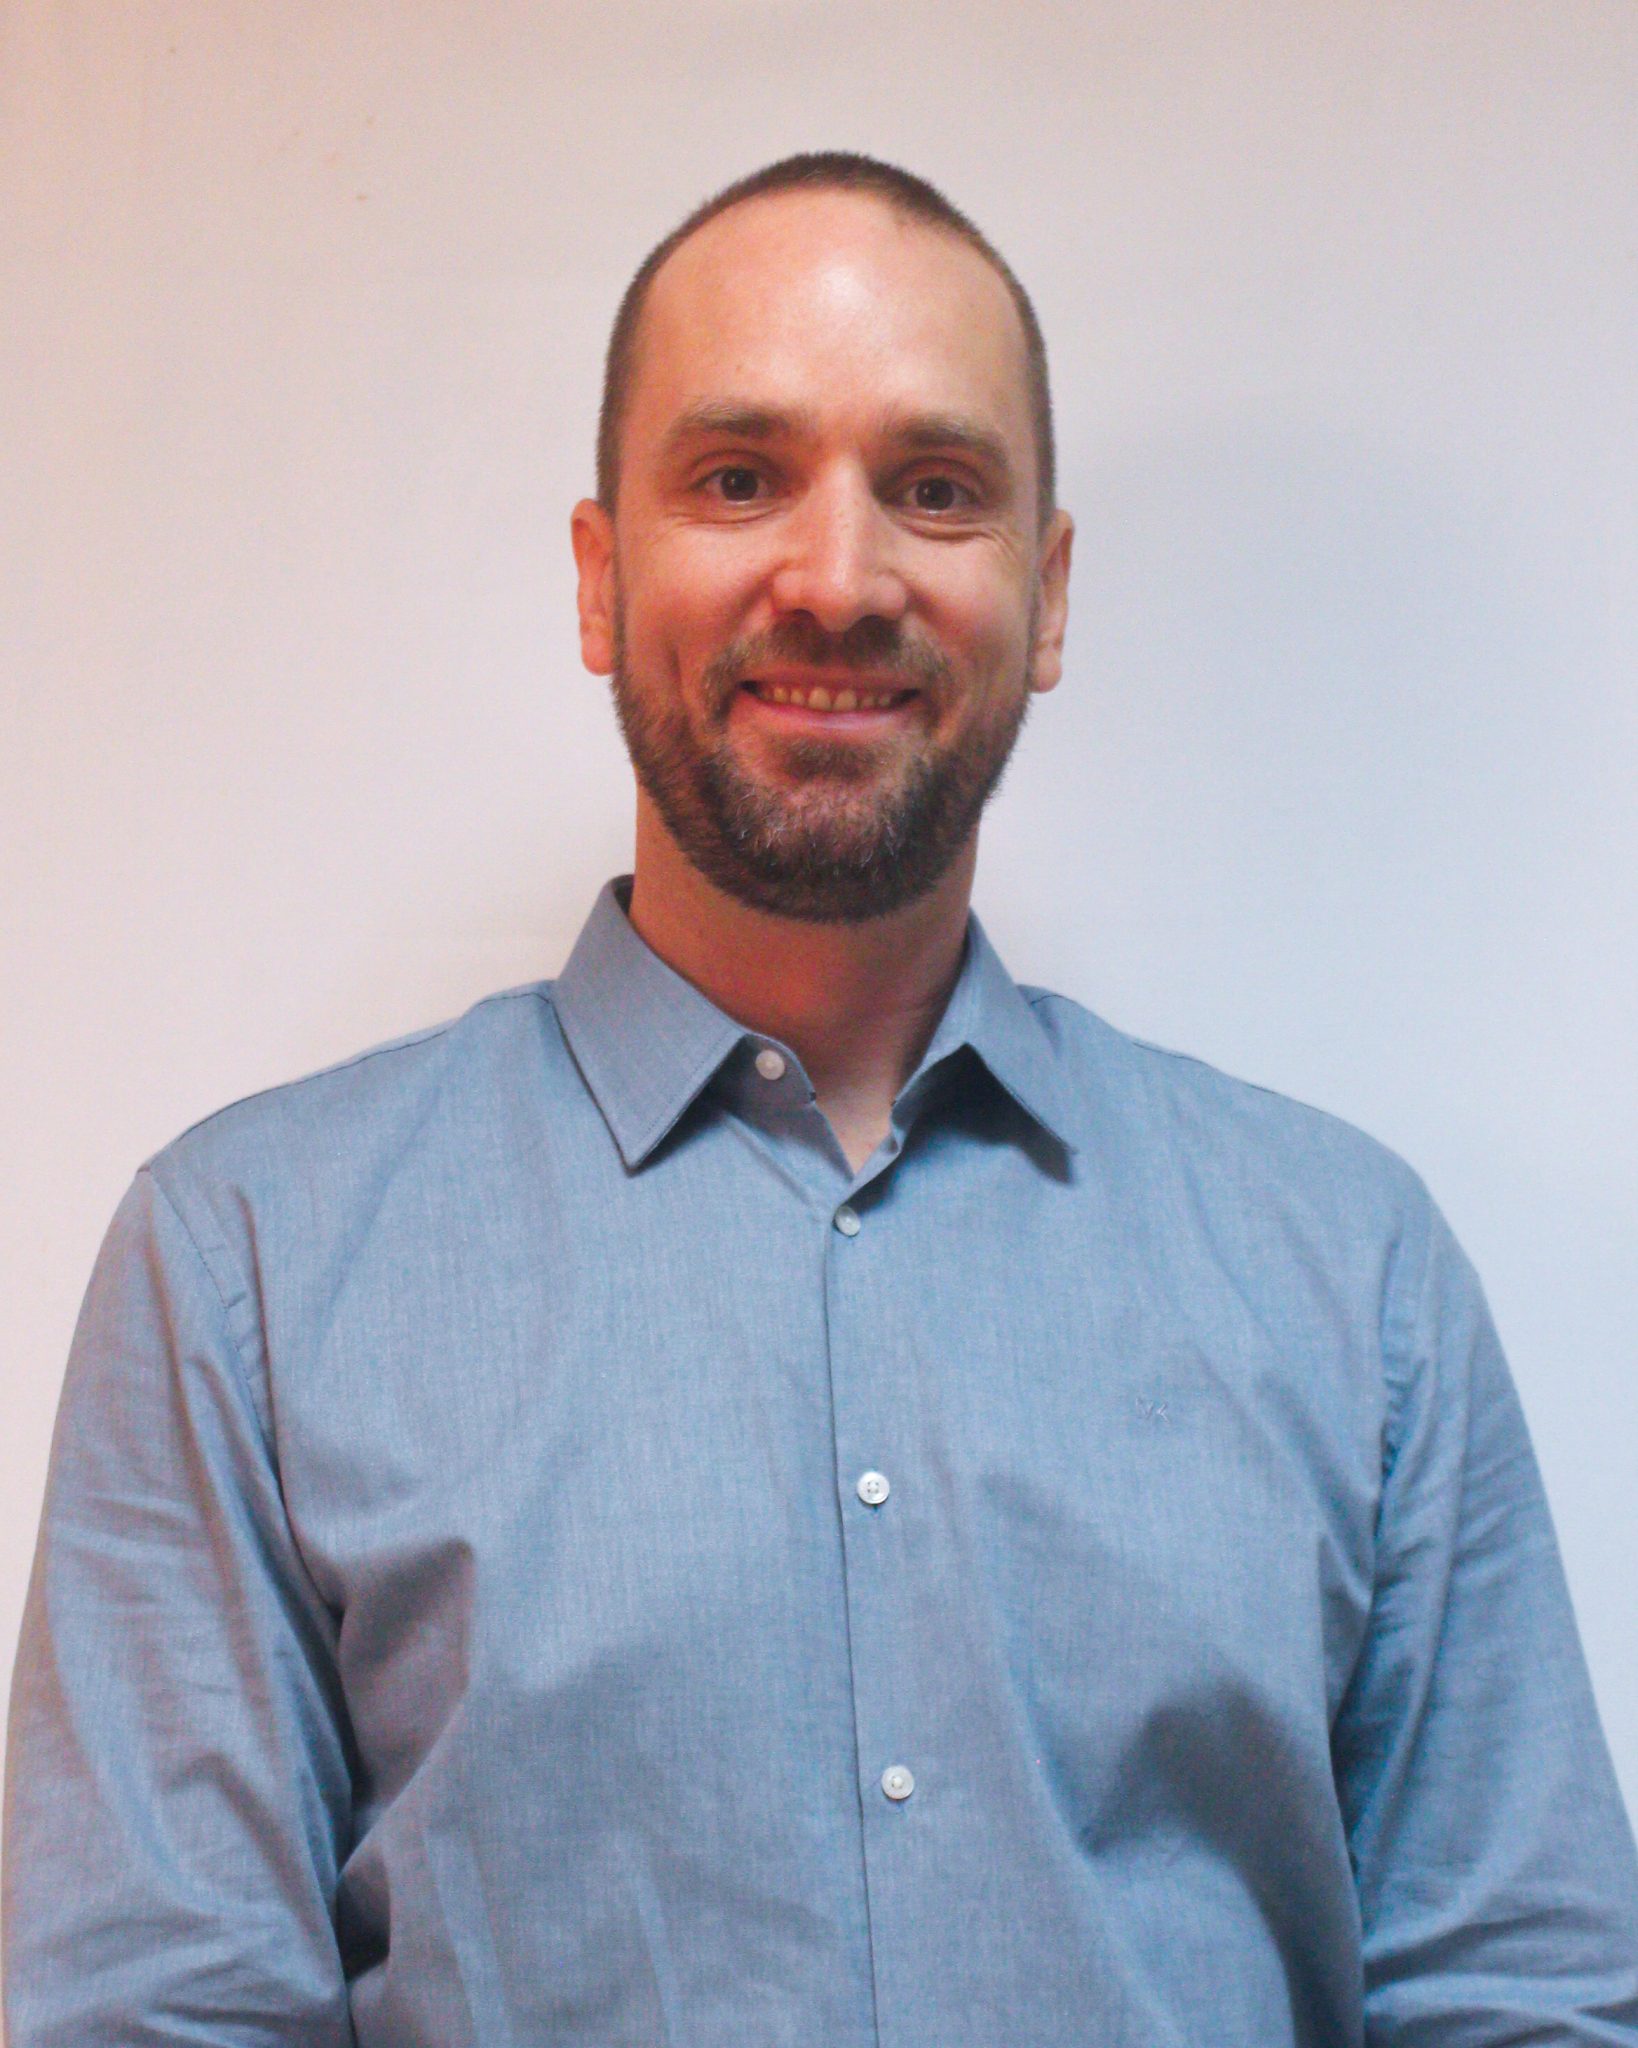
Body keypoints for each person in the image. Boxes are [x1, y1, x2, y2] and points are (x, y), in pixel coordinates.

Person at [5, 151, 1637, 2047]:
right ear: (601, 579)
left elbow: (1517, 2001)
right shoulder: (247, 1270)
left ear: (1044, 595)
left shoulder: (1352, 1273)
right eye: (736, 478)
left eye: (933, 489)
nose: (838, 579)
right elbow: (156, 2017)